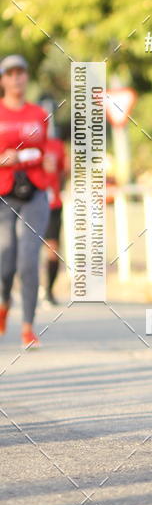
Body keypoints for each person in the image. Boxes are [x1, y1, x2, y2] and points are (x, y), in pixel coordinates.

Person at [0, 55, 50, 348]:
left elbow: (48, 151)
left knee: (28, 261)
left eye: (22, 73)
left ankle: (28, 328)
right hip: (4, 193)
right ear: (3, 79)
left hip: (35, 191)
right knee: (5, 262)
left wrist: (30, 157)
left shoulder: (38, 113)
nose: (17, 78)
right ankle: (4, 302)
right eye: (11, 73)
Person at [42, 123, 67, 305]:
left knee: (52, 249)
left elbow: (64, 170)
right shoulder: (23, 141)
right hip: (26, 203)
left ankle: (49, 291)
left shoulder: (57, 145)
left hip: (52, 205)